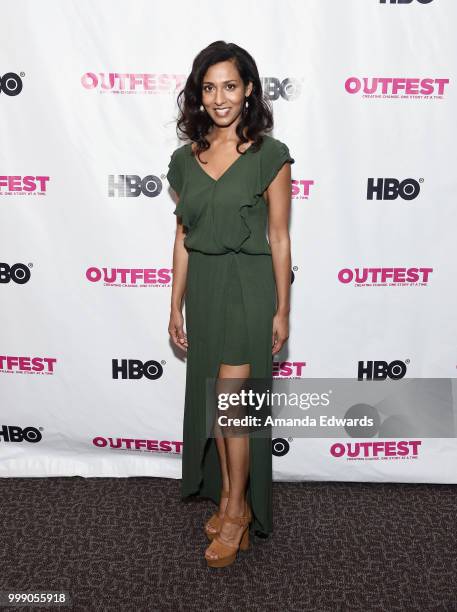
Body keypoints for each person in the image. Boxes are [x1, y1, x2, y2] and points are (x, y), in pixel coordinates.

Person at [167, 40, 294, 568]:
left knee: (233, 407)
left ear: (249, 91)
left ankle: (238, 512)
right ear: (199, 94)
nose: (220, 98)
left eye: (231, 86)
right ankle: (226, 499)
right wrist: (175, 305)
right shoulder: (183, 160)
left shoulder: (270, 154)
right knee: (218, 408)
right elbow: (182, 236)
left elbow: (281, 239)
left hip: (248, 284)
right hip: (206, 287)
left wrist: (283, 309)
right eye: (210, 87)